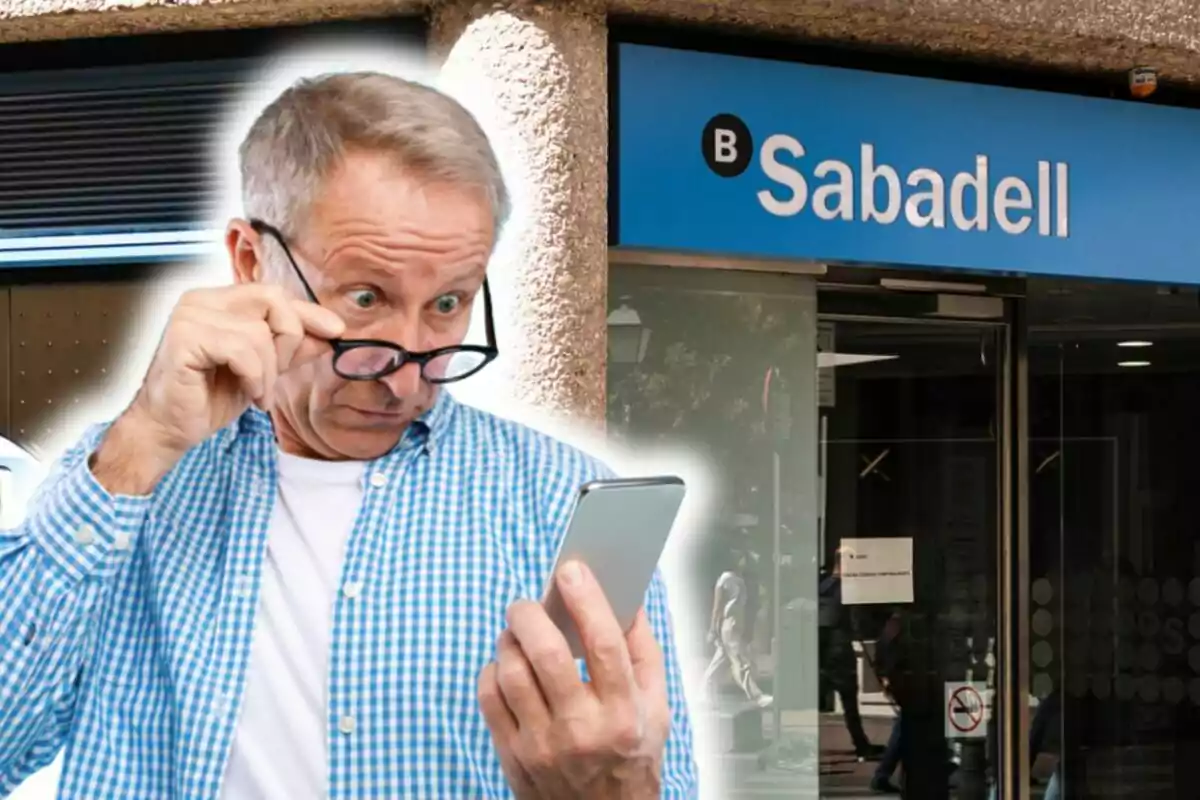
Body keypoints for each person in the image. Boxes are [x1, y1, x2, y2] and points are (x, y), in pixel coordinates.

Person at [0, 71, 697, 799]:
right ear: (250, 262)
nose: (404, 379)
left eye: (449, 304)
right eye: (366, 298)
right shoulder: (121, 477)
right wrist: (138, 447)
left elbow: (665, 780)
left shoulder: (558, 501)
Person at [819, 547, 883, 762]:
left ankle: (861, 744)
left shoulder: (822, 585)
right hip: (840, 653)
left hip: (823, 654)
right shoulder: (845, 589)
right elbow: (854, 621)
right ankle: (862, 747)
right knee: (849, 703)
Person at [704, 550, 773, 708]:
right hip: (729, 624)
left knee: (720, 661)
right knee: (740, 660)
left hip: (735, 623)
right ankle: (756, 696)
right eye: (741, 558)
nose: (744, 560)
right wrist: (713, 629)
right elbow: (718, 606)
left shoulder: (737, 578)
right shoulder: (726, 579)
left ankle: (703, 692)